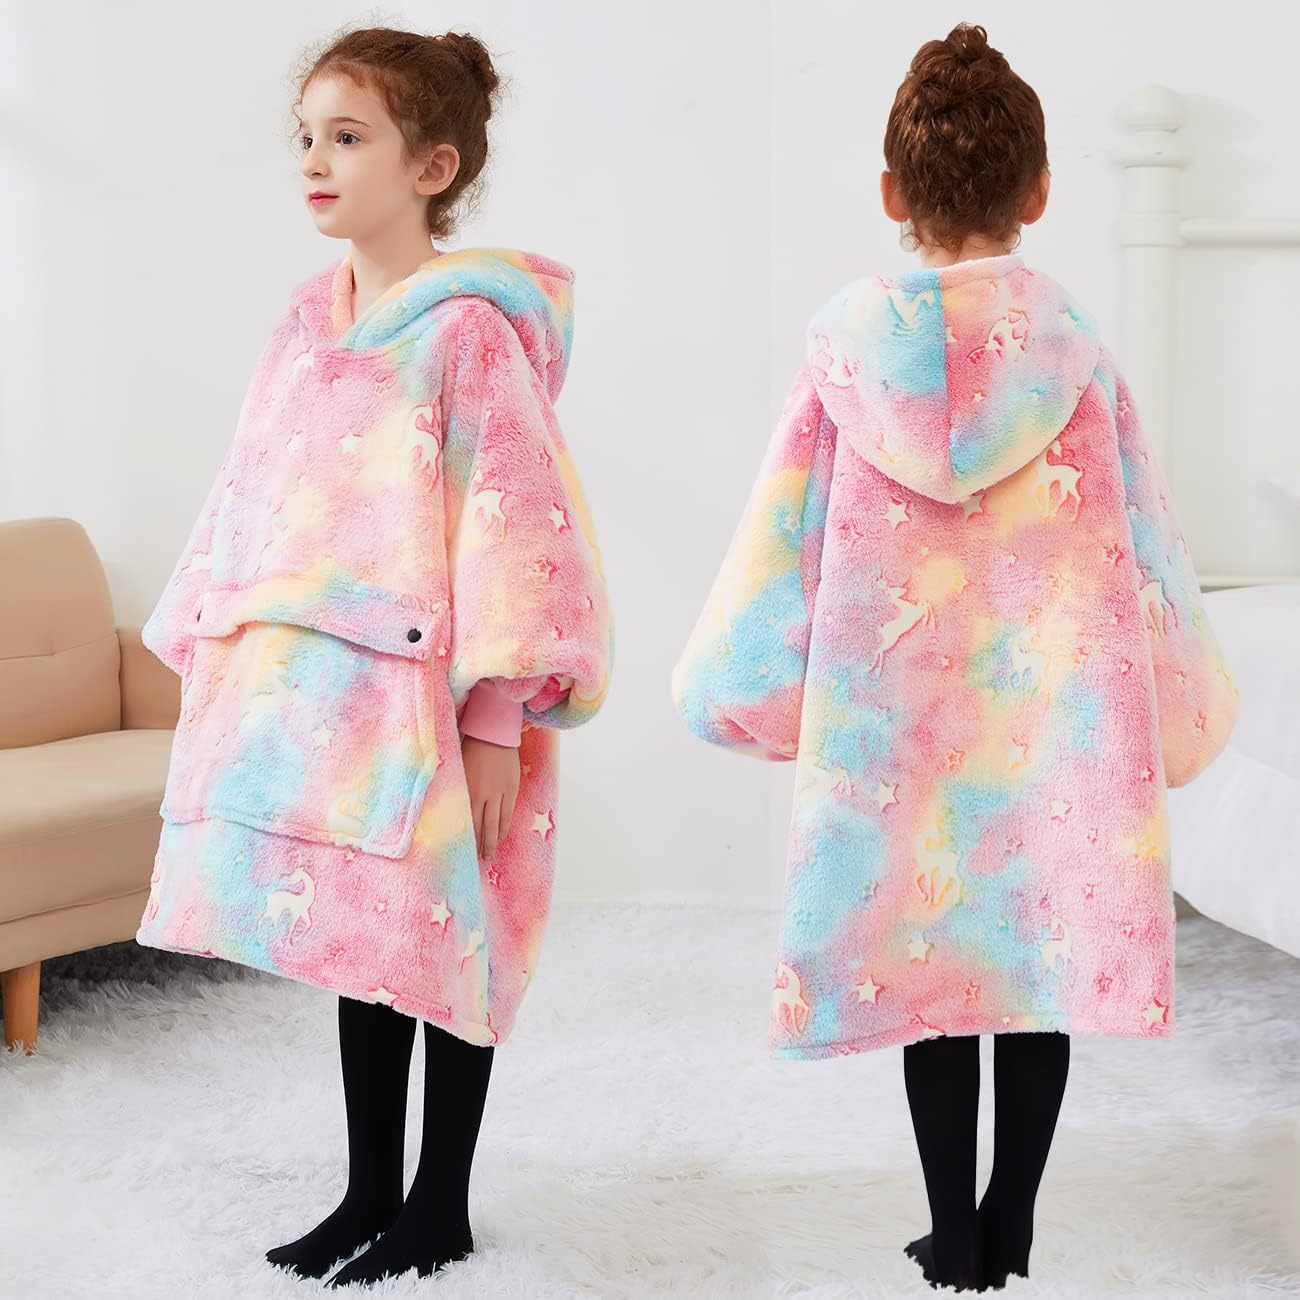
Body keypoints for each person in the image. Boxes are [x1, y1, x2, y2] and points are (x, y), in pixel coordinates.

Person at [670, 22, 1237, 1293]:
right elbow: (1149, 545)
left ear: (891, 193)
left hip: (897, 731)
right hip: (1053, 730)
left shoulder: (842, 358)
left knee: (932, 974)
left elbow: (782, 535)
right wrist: (1183, 703)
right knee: (1030, 970)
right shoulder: (1076, 358)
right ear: (1039, 193)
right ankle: (1011, 1218)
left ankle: (955, 1234)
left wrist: (751, 689)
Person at [135, 25, 613, 1287]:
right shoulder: (304, 323)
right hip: (328, 698)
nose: (314, 159)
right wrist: (229, 655)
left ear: (432, 166)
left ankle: (438, 1206)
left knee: (449, 939)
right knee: (361, 942)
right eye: (306, 135)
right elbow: (254, 493)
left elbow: (518, 525)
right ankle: (365, 1190)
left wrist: (498, 717)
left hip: (444, 700)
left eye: (347, 137)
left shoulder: (471, 336)